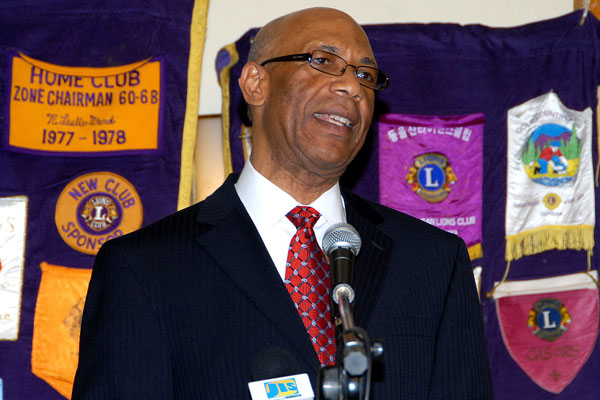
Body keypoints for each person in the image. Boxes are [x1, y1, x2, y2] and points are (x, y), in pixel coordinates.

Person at [72, 7, 492, 399]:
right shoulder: (145, 267)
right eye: (323, 62)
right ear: (256, 83)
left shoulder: (432, 262)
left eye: (366, 75)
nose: (352, 85)